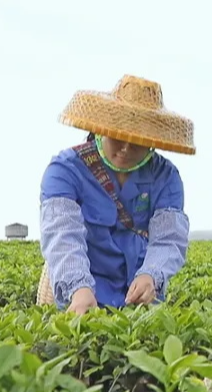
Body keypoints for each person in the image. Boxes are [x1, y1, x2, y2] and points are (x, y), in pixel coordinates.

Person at [37, 74, 196, 314]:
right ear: (101, 129)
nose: (125, 148)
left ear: (152, 142)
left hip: (138, 295)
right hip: (81, 292)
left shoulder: (166, 177)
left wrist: (151, 275)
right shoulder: (65, 170)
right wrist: (78, 288)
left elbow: (169, 238)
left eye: (137, 141)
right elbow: (62, 233)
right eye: (118, 137)